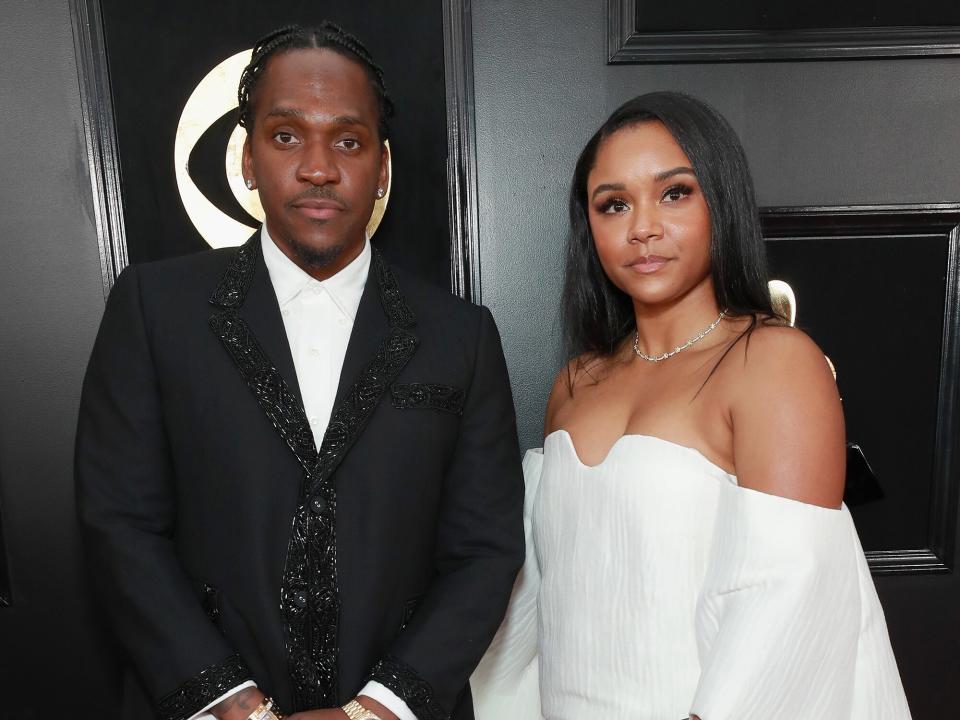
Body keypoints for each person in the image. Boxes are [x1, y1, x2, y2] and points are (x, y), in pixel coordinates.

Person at [76, 23, 524, 720]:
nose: (319, 167)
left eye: (348, 141)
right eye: (287, 136)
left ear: (382, 165)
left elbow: (486, 550)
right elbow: (120, 524)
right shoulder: (153, 307)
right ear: (248, 158)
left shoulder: (460, 335)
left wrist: (375, 711)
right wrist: (234, 705)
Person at [471, 92, 912, 719]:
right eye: (614, 204)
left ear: (721, 201)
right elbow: (539, 603)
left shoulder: (774, 363)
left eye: (674, 193)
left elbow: (789, 602)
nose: (642, 226)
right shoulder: (576, 383)